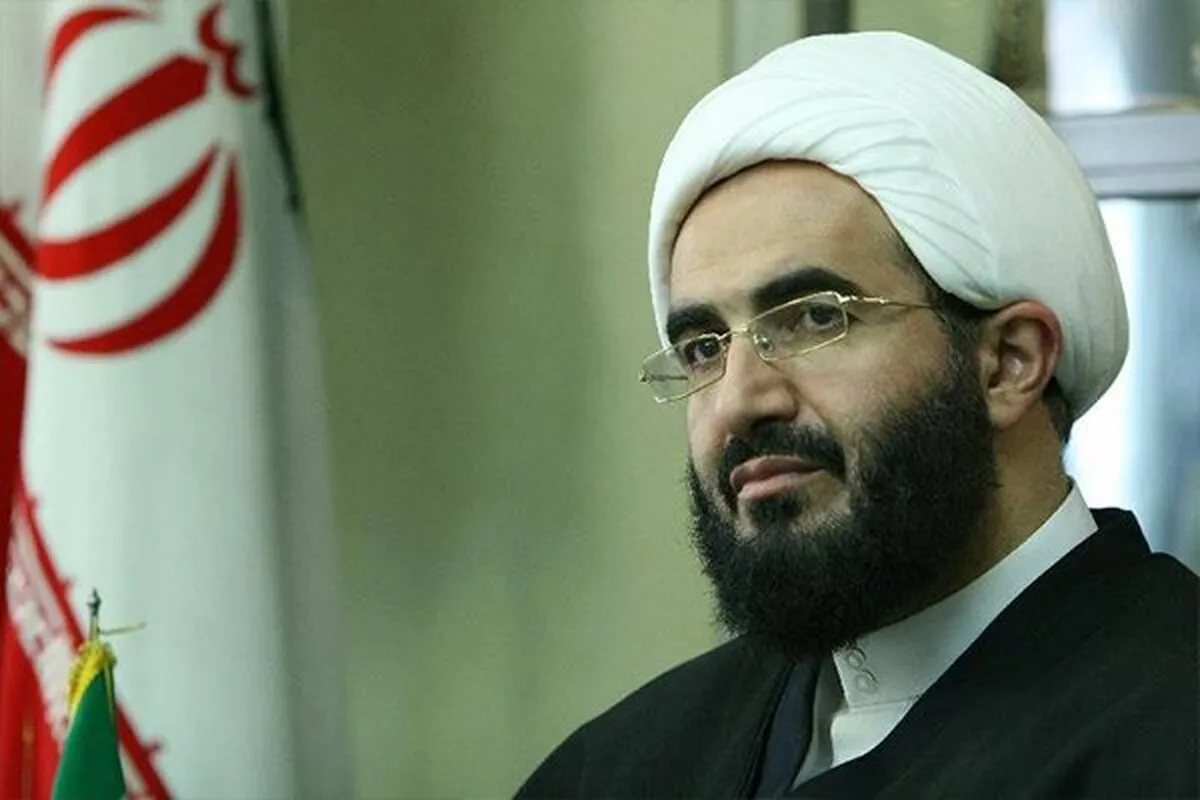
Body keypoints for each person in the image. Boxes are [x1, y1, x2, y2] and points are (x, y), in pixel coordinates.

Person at [515, 31, 1199, 799]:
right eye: (704, 348)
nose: (739, 400)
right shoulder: (620, 770)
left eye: (815, 318)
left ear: (1009, 362)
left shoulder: (1171, 734)